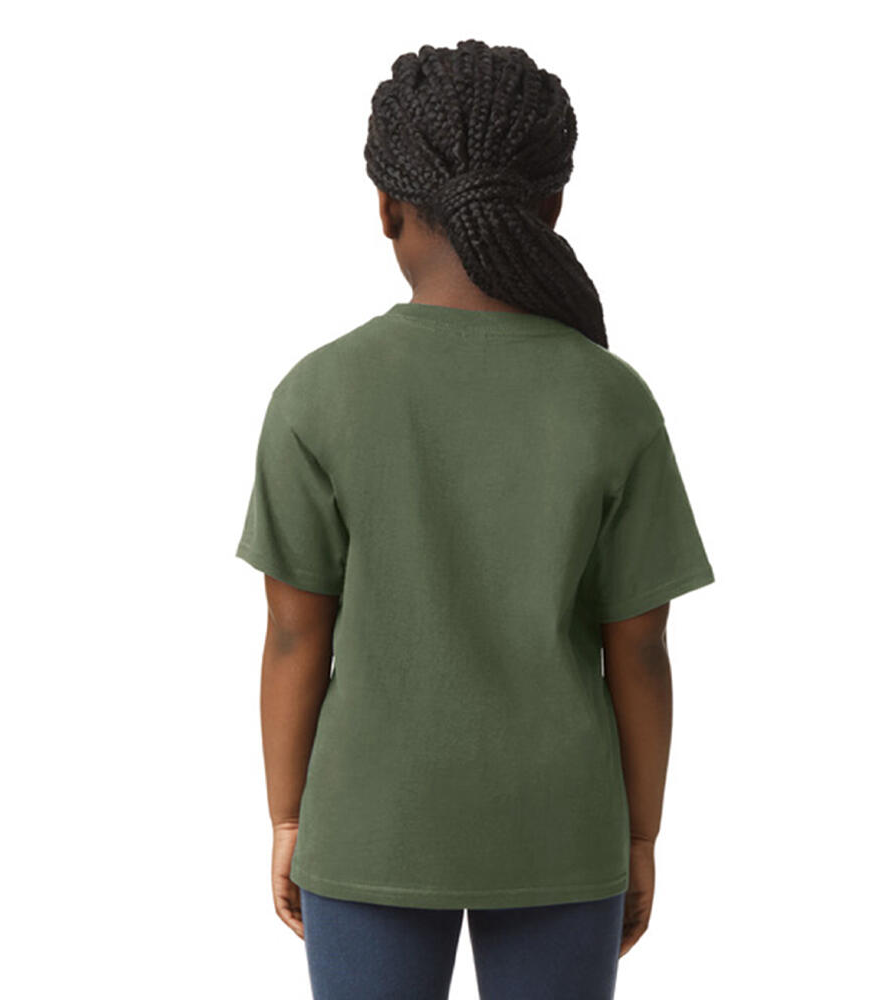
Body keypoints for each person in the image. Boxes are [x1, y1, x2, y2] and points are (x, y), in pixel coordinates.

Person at [235, 38, 715, 1000]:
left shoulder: (319, 394)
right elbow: (640, 645)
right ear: (553, 207)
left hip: (370, 824)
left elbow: (294, 634)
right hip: (561, 829)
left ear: (385, 206)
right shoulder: (610, 398)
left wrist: (289, 819)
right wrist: (639, 835)